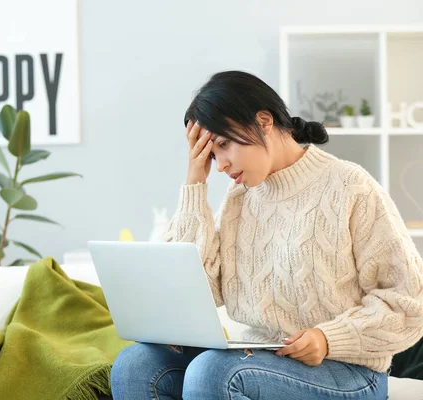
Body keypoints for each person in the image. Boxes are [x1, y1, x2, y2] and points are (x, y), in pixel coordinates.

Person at [110, 71, 423, 399]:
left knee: (213, 371)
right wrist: (193, 184)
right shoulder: (240, 199)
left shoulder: (349, 186)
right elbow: (201, 289)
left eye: (224, 144)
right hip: (258, 360)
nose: (219, 165)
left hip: (346, 370)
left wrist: (328, 338)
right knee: (135, 364)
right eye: (212, 154)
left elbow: (408, 301)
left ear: (263, 121)